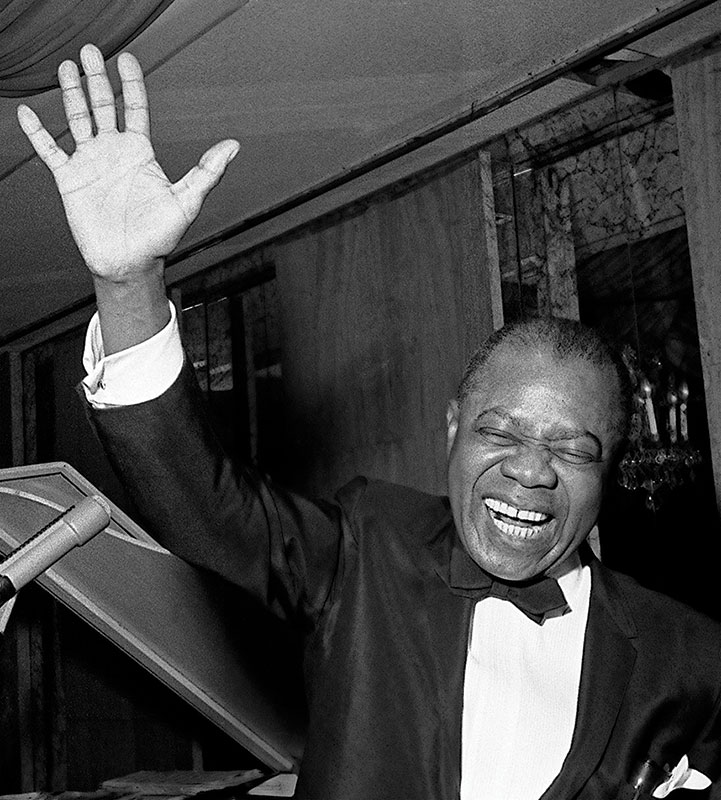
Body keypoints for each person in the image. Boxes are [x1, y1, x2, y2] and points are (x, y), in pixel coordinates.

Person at [18, 44, 721, 800]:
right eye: (500, 432)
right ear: (453, 428)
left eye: (570, 449)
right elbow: (205, 506)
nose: (529, 469)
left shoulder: (689, 654)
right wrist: (128, 285)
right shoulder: (369, 547)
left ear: (610, 464)